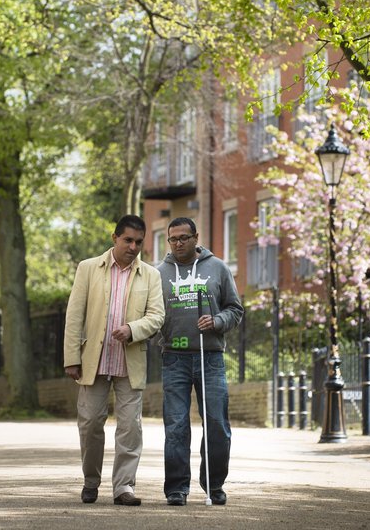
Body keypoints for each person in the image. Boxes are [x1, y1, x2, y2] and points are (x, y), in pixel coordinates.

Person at [63, 214, 165, 507]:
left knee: (130, 427)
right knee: (91, 423)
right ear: (114, 238)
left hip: (129, 362)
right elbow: (74, 317)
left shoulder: (151, 275)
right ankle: (90, 482)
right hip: (93, 360)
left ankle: (124, 487)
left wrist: (133, 329)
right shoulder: (88, 268)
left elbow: (157, 316)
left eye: (138, 242)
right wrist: (72, 357)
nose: (133, 247)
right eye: (128, 240)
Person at [157, 216, 244, 507]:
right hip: (174, 358)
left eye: (184, 237)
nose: (178, 243)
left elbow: (235, 309)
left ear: (196, 237)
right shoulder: (159, 273)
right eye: (173, 239)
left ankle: (214, 485)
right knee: (176, 426)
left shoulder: (217, 268)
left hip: (211, 358)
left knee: (217, 423)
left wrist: (217, 321)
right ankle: (177, 488)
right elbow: (151, 314)